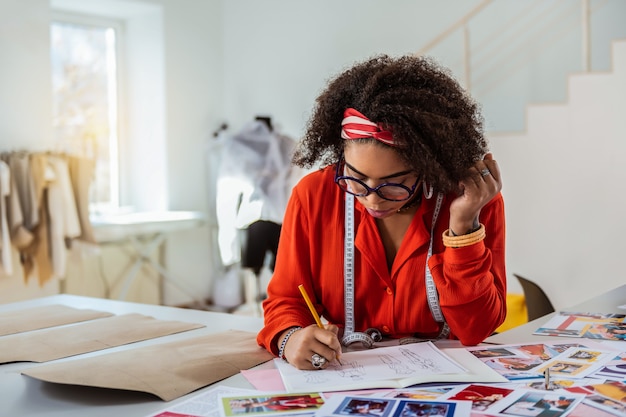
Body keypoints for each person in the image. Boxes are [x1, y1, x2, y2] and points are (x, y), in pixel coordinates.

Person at [256, 54, 506, 370]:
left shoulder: (473, 203)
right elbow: (285, 301)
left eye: (392, 184)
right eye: (356, 178)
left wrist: (463, 230)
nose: (372, 200)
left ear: (427, 167)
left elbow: (476, 329)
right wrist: (290, 337)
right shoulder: (313, 196)